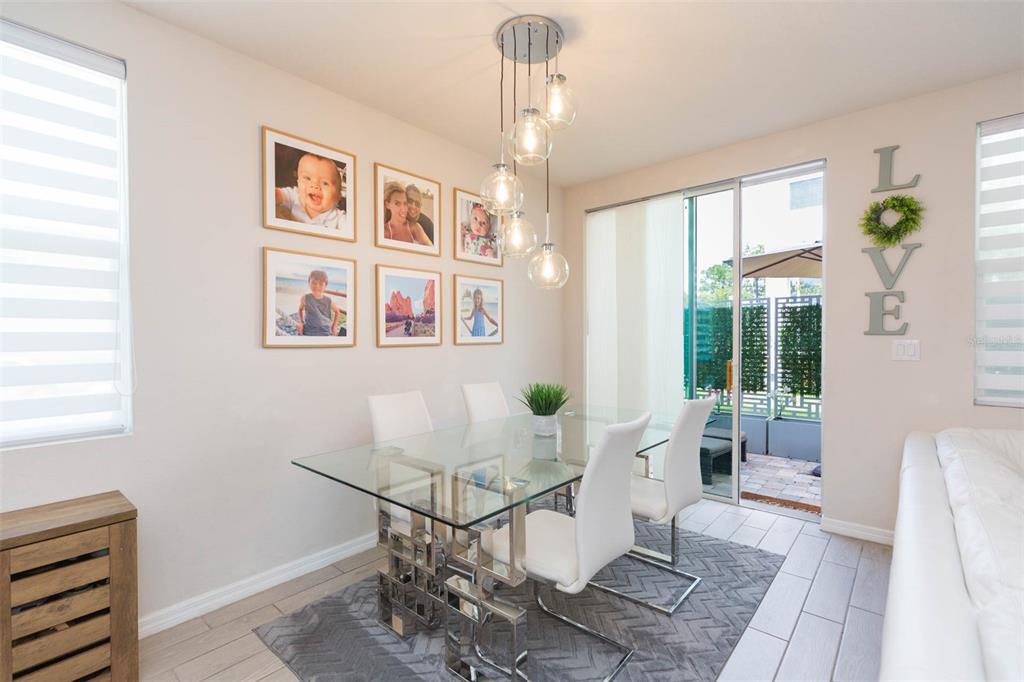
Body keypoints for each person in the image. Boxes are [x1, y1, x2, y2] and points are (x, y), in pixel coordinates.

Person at [275, 153, 345, 230]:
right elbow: (273, 194)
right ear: (298, 182)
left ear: (338, 196)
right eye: (307, 178)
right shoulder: (295, 197)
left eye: (325, 183)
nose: (315, 185)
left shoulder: (339, 218)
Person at [297, 270, 341, 336]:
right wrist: (301, 322)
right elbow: (300, 309)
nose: (317, 286)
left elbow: (337, 312)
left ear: (325, 286)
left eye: (321, 284)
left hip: (325, 331)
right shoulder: (305, 298)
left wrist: (334, 326)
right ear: (309, 283)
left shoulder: (329, 300)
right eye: (314, 283)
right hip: (309, 330)